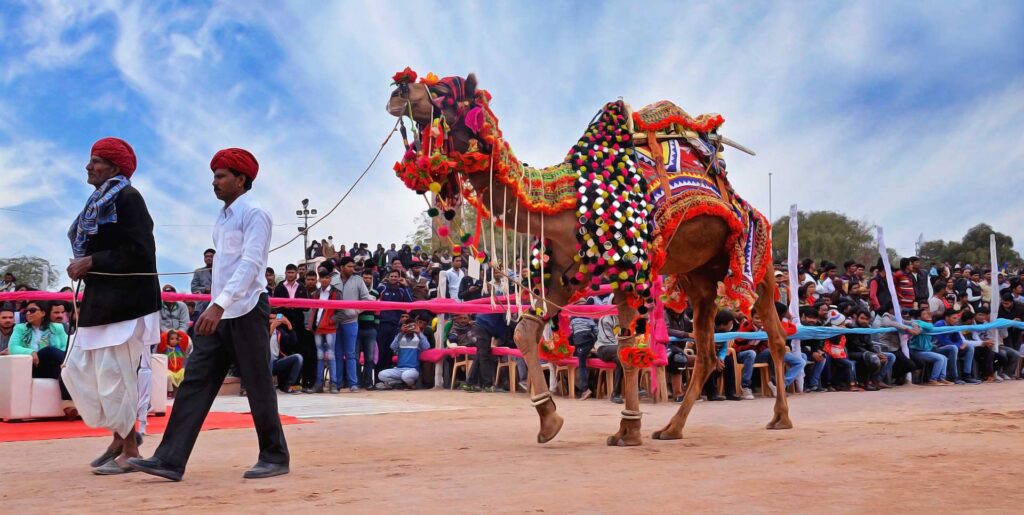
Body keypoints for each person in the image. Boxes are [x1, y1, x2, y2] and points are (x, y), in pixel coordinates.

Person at [129, 147, 289, 481]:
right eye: (213, 176)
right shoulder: (223, 217)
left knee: (258, 383)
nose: (214, 183)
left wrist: (219, 304)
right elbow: (225, 268)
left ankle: (274, 456)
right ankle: (170, 459)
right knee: (194, 382)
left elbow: (251, 264)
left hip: (245, 309)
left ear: (241, 179)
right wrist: (215, 305)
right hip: (218, 313)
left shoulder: (256, 212)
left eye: (221, 176)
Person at [59, 138, 160, 475]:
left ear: (115, 168)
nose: (90, 166)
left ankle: (130, 450)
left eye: (98, 161)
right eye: (90, 160)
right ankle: (120, 437)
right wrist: (87, 264)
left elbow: (141, 252)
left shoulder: (129, 198)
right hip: (102, 301)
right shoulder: (98, 202)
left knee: (115, 377)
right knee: (82, 371)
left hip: (127, 304)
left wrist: (92, 261)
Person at [9, 300, 71, 406]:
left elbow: (65, 347)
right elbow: (12, 347)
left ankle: (68, 404)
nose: (28, 313)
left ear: (43, 312)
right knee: (49, 350)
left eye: (32, 310)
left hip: (52, 365)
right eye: (26, 311)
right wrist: (31, 352)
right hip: (32, 366)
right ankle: (72, 365)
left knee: (63, 371)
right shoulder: (20, 328)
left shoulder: (57, 328)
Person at [272, 263, 315, 393]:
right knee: (284, 353)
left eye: (292, 272)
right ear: (285, 273)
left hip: (298, 325)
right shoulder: (279, 287)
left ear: (296, 273)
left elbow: (307, 307)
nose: (290, 275)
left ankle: (295, 383)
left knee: (299, 352)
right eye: (288, 272)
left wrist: (295, 306)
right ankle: (283, 383)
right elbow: (275, 307)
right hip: (283, 326)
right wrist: (281, 317)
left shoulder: (301, 287)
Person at [333, 256, 371, 392]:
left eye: (353, 266)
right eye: (349, 266)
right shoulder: (333, 280)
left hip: (351, 321)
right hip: (335, 322)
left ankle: (353, 384)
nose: (352, 269)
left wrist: (354, 312)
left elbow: (366, 300)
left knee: (351, 354)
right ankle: (336, 384)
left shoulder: (358, 280)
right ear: (341, 267)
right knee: (336, 353)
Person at [375, 269, 413, 378]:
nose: (393, 278)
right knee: (381, 351)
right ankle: (378, 378)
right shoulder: (382, 287)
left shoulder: (401, 290)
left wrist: (405, 286)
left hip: (395, 325)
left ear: (399, 278)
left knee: (390, 351)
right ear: (388, 277)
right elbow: (372, 298)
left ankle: (386, 378)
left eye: (396, 276)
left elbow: (409, 303)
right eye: (391, 276)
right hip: (382, 324)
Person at [310, 267, 342, 393]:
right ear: (320, 279)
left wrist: (331, 320)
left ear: (330, 279)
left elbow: (341, 312)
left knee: (331, 355)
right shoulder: (316, 293)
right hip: (318, 327)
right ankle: (319, 384)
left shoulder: (336, 293)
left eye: (327, 277)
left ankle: (333, 384)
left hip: (329, 327)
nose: (324, 280)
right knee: (320, 355)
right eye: (322, 277)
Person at [376, 317, 430, 389]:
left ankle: (395, 383)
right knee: (381, 374)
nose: (409, 328)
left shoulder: (418, 337)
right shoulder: (401, 337)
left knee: (406, 376)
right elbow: (392, 347)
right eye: (407, 326)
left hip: (412, 370)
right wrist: (401, 333)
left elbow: (426, 346)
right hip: (399, 369)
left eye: (412, 326)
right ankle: (401, 383)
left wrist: (419, 332)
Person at [933, 308, 980, 384]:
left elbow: (959, 340)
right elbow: (943, 341)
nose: (956, 320)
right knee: (953, 348)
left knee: (970, 347)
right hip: (937, 348)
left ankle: (967, 375)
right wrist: (958, 346)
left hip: (951, 348)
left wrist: (959, 345)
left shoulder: (954, 326)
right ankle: (954, 377)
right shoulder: (939, 324)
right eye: (954, 318)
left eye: (957, 318)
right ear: (947, 318)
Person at [907, 309, 951, 385]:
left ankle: (941, 378)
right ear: (919, 316)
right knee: (939, 358)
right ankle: (933, 379)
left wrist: (919, 325)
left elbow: (929, 326)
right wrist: (917, 324)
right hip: (916, 351)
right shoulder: (917, 323)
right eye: (924, 314)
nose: (927, 315)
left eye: (928, 313)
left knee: (944, 358)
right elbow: (924, 325)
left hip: (926, 350)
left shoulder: (923, 325)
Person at [356, 269, 380, 388]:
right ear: (361, 279)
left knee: (369, 358)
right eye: (365, 278)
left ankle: (368, 382)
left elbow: (377, 312)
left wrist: (375, 327)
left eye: (369, 278)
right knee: (355, 357)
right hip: (356, 328)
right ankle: (357, 382)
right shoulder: (356, 292)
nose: (367, 280)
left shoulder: (375, 293)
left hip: (370, 329)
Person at [594, 310, 624, 403]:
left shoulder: (620, 318)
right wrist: (622, 345)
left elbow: (621, 334)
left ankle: (616, 393)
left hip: (616, 348)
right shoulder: (605, 318)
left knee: (621, 359)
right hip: (603, 347)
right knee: (623, 352)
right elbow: (607, 339)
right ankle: (616, 393)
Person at [269, 313, 303, 394]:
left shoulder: (279, 332)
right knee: (269, 359)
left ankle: (289, 386)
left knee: (298, 357)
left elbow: (293, 342)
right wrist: (271, 328)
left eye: (277, 319)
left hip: (276, 363)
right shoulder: (260, 332)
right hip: (263, 364)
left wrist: (289, 324)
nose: (276, 321)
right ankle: (268, 386)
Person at [158, 329, 189, 396]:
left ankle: (182, 391)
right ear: (168, 339)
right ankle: (170, 391)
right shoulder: (164, 348)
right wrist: (167, 332)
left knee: (185, 373)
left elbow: (185, 337)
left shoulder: (181, 348)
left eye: (176, 339)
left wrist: (177, 331)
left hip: (179, 371)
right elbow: (162, 338)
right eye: (172, 339)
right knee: (167, 376)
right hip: (169, 371)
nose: (174, 341)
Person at [191, 249, 215, 314]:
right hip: (202, 307)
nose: (208, 258)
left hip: (218, 305)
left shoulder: (222, 271)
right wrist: (206, 289)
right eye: (206, 256)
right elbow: (194, 288)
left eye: (211, 256)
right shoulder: (198, 271)